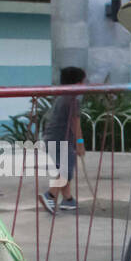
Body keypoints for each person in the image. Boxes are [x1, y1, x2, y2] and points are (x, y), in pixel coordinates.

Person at [40, 65, 84, 214]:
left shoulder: (61, 97)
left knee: (63, 168)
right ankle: (50, 195)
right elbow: (75, 122)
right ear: (77, 83)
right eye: (82, 82)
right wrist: (80, 144)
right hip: (61, 140)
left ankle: (68, 199)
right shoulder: (72, 100)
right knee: (66, 171)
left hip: (51, 137)